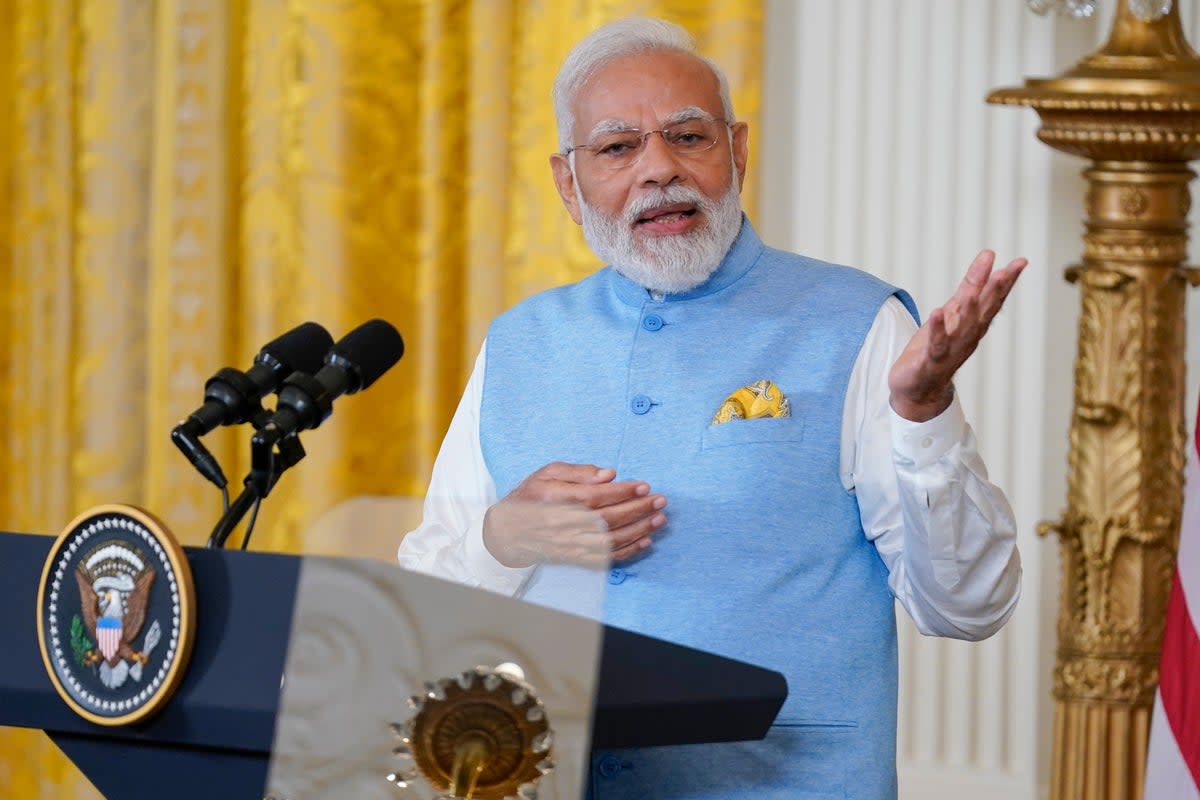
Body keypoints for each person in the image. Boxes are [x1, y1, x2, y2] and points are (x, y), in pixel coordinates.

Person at [398, 16, 1024, 800]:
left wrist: (926, 414)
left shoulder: (858, 324)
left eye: (689, 136)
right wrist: (501, 539)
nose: (659, 169)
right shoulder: (518, 342)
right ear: (568, 181)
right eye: (619, 147)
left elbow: (968, 608)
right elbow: (420, 607)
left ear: (738, 150)